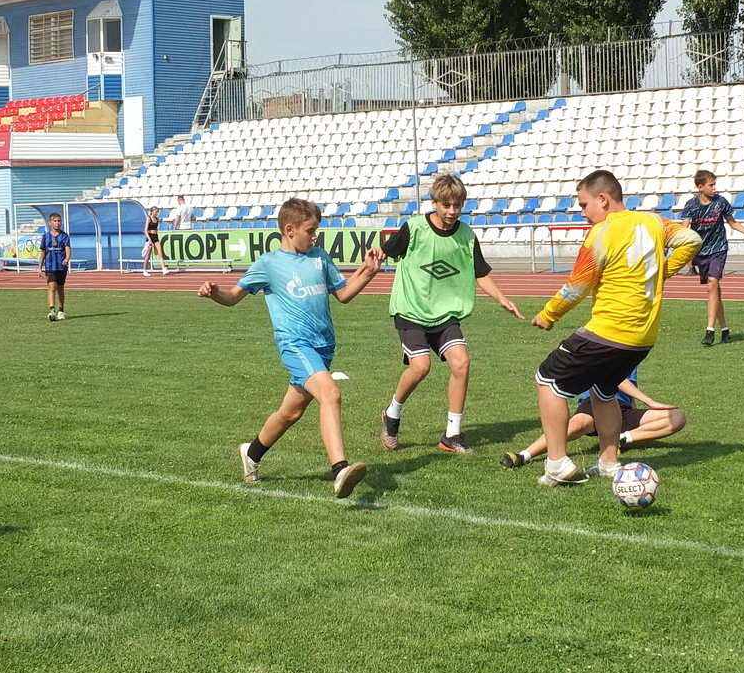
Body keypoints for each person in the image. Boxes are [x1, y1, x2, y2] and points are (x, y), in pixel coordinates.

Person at [197, 197, 385, 496]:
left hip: (324, 347)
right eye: (310, 231)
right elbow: (232, 297)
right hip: (296, 345)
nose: (315, 236)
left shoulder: (319, 257)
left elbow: (344, 294)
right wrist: (214, 292)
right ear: (289, 230)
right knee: (331, 394)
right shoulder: (269, 264)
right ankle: (340, 469)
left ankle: (251, 454)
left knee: (290, 413)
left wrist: (368, 271)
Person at [531, 169, 701, 486]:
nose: (583, 213)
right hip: (643, 338)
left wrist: (548, 314)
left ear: (603, 199)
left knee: (547, 380)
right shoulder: (653, 222)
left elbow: (577, 286)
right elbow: (691, 240)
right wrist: (662, 271)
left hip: (610, 330)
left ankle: (557, 463)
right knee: (604, 390)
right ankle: (609, 463)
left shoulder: (602, 232)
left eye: (584, 205)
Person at [379, 173, 524, 454]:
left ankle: (452, 435)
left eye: (457, 205)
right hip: (411, 310)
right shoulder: (414, 228)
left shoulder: (466, 235)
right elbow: (386, 252)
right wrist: (370, 264)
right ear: (434, 203)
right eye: (446, 205)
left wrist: (502, 298)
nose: (452, 211)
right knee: (421, 367)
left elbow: (480, 272)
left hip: (445, 314)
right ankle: (392, 414)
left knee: (461, 363)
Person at [499, 368, 685, 470]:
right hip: (596, 404)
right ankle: (523, 455)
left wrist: (635, 408)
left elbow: (630, 384)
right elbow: (617, 380)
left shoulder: (633, 347)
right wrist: (649, 401)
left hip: (623, 410)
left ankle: (621, 439)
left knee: (677, 416)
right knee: (575, 426)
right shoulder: (605, 344)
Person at [681, 169, 744, 345]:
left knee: (712, 282)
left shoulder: (721, 202)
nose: (714, 188)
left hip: (718, 249)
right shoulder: (691, 205)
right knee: (714, 290)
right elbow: (684, 229)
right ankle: (725, 329)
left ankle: (709, 330)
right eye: (711, 185)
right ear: (700, 187)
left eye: (714, 185)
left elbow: (733, 223)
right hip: (701, 251)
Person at [38, 212, 71, 321]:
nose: (57, 223)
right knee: (52, 287)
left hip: (61, 267)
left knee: (60, 289)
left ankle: (61, 311)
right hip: (50, 266)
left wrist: (67, 259)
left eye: (59, 221)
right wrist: (39, 268)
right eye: (55, 221)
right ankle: (52, 311)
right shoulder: (46, 236)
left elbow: (68, 249)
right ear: (50, 222)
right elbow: (43, 253)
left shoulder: (64, 236)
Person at [142, 206, 171, 276]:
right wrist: (149, 240)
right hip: (150, 237)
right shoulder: (149, 218)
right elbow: (145, 230)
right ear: (152, 211)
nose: (157, 213)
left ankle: (164, 269)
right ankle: (144, 270)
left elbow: (156, 229)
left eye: (157, 212)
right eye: (156, 212)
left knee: (160, 253)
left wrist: (156, 237)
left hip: (156, 237)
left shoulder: (157, 219)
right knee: (148, 256)